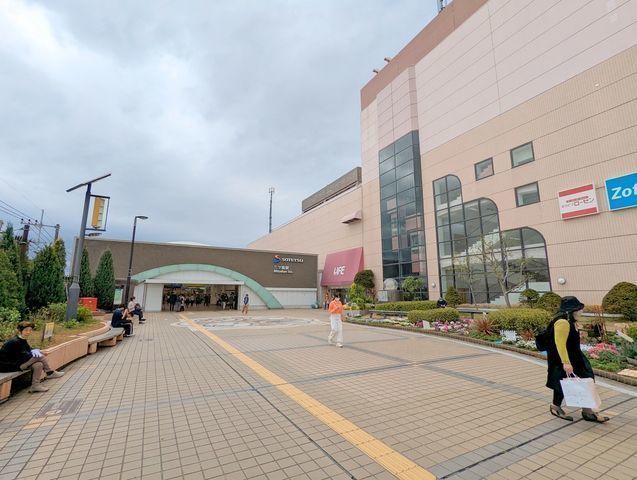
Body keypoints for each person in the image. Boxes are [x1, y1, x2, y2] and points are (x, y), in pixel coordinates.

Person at [546, 296, 609, 423]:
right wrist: (566, 363)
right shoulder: (562, 322)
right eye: (578, 309)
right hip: (564, 359)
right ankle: (556, 406)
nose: (581, 311)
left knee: (585, 379)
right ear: (571, 311)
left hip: (576, 357)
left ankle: (587, 411)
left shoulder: (570, 321)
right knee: (562, 383)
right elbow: (560, 344)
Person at [0, 321, 65, 393]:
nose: (28, 332)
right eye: (26, 330)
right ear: (20, 331)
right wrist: (39, 353)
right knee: (39, 356)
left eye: (30, 330)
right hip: (10, 366)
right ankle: (49, 372)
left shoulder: (22, 339)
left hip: (18, 363)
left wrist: (40, 351)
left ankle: (35, 386)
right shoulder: (15, 341)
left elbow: (28, 350)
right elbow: (25, 356)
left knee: (38, 364)